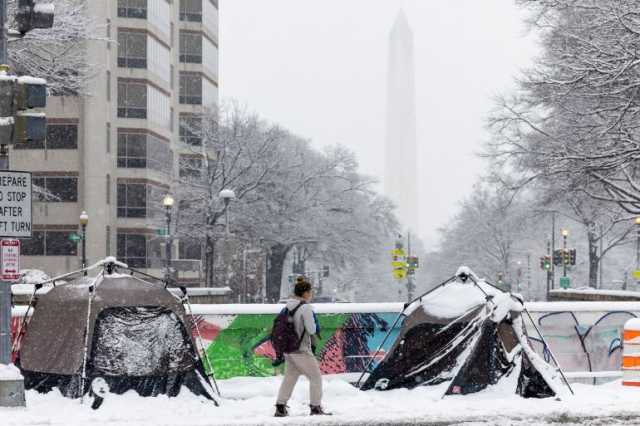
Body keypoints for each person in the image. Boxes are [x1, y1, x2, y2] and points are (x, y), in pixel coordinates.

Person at [274, 277, 331, 417]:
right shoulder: (305, 307)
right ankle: (316, 407)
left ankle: (280, 407)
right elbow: (311, 330)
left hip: (289, 349)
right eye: (310, 292)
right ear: (305, 293)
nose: (311, 295)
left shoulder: (288, 306)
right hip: (301, 350)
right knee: (316, 377)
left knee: (290, 377)